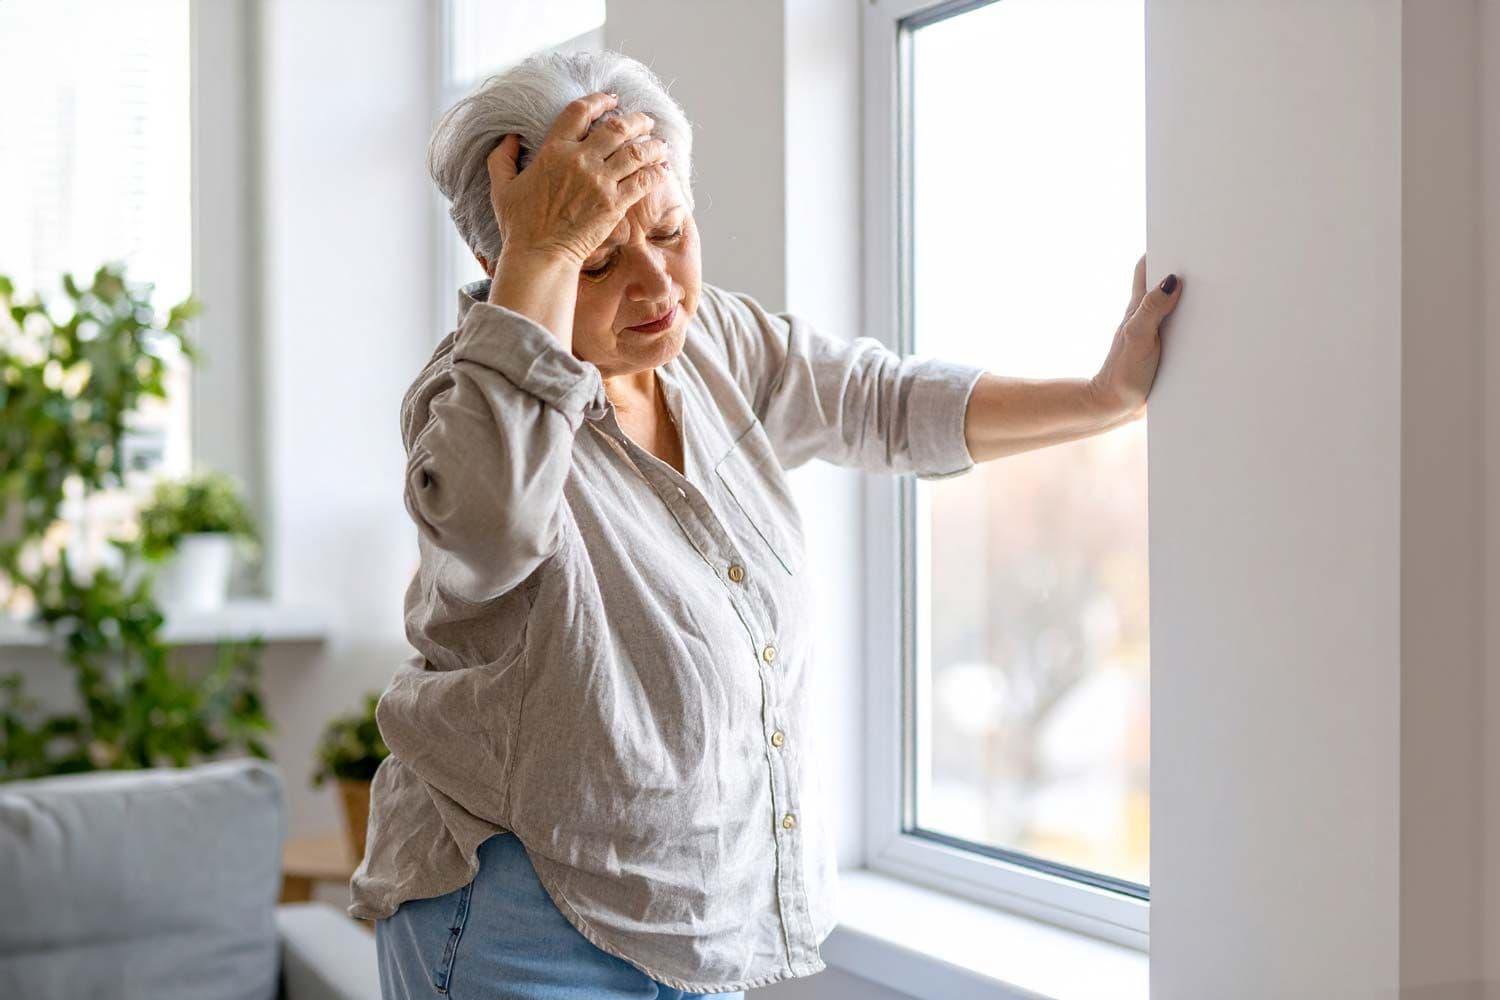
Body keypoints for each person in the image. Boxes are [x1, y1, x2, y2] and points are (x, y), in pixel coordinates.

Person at [350, 48, 1183, 1000]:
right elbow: (490, 533)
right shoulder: (466, 406)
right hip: (516, 917)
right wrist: (542, 256)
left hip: (688, 922)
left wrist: (1103, 397)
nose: (656, 286)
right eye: (599, 258)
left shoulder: (712, 348)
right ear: (501, 258)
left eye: (670, 229)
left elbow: (881, 402)